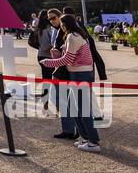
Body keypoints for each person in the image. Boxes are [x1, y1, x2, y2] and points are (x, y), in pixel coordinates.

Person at [42, 13, 101, 151]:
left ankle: (93, 141)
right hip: (77, 73)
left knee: (83, 109)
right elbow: (69, 57)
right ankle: (86, 137)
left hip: (80, 74)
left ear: (66, 24)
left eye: (62, 23)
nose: (60, 25)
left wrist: (48, 62)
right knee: (77, 109)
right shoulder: (76, 35)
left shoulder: (72, 37)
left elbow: (67, 59)